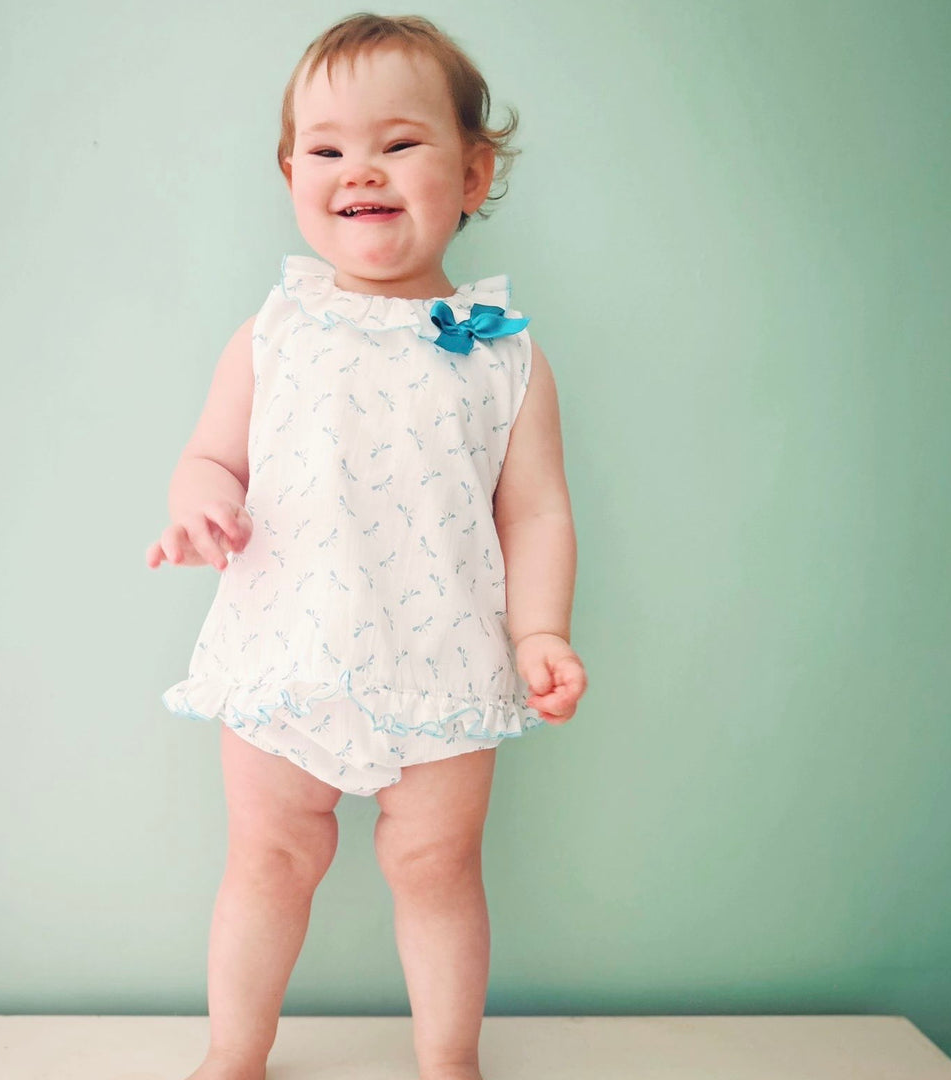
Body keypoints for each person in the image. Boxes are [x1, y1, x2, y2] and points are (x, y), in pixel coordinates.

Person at [145, 13, 587, 1080]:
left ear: (474, 173)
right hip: (286, 648)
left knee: (437, 865)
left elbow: (535, 512)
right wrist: (198, 503)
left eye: (398, 143)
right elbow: (210, 456)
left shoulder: (502, 356)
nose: (362, 170)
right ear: (294, 172)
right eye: (329, 149)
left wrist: (540, 629)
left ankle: (449, 1060)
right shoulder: (275, 331)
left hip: (440, 652)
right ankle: (233, 1056)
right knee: (268, 858)